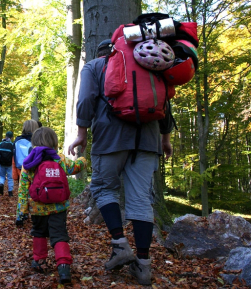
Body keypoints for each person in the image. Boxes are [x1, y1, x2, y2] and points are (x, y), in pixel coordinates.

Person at [67, 39, 174, 286]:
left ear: (101, 52)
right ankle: (144, 266)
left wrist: (82, 134)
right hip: (148, 140)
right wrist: (165, 139)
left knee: (104, 189)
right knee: (141, 200)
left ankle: (120, 245)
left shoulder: (94, 66)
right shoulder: (149, 67)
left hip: (110, 138)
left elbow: (85, 101)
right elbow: (166, 104)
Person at [15, 127, 87, 284]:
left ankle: (39, 261)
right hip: (58, 207)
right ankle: (63, 266)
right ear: (54, 143)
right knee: (59, 235)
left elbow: (22, 189)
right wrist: (83, 160)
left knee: (39, 233)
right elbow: (74, 168)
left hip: (37, 208)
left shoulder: (29, 162)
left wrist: (22, 211)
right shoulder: (59, 159)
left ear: (34, 143)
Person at [0, 131, 15, 196]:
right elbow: (14, 155)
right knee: (10, 178)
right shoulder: (12, 145)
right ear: (12, 137)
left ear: (6, 136)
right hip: (9, 164)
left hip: (1, 163)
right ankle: (10, 192)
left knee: (2, 176)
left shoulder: (0, 144)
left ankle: (1, 184)